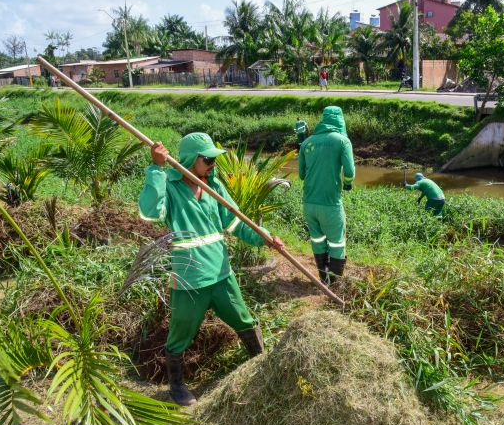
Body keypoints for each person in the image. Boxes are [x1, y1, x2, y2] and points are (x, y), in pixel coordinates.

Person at [138, 132, 285, 406]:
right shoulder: (170, 186)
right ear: (191, 160)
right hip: (190, 277)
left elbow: (237, 222)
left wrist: (264, 236)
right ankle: (177, 386)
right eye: (207, 159)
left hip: (221, 273)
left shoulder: (213, 187)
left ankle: (260, 364)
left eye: (213, 159)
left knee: (243, 320)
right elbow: (150, 212)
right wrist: (157, 168)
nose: (212, 164)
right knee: (181, 331)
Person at [298, 106, 354, 284]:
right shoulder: (342, 141)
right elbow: (350, 171)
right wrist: (347, 184)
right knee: (337, 242)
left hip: (309, 204)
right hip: (330, 204)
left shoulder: (307, 143)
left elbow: (301, 174)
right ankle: (335, 284)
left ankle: (324, 279)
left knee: (317, 239)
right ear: (340, 120)